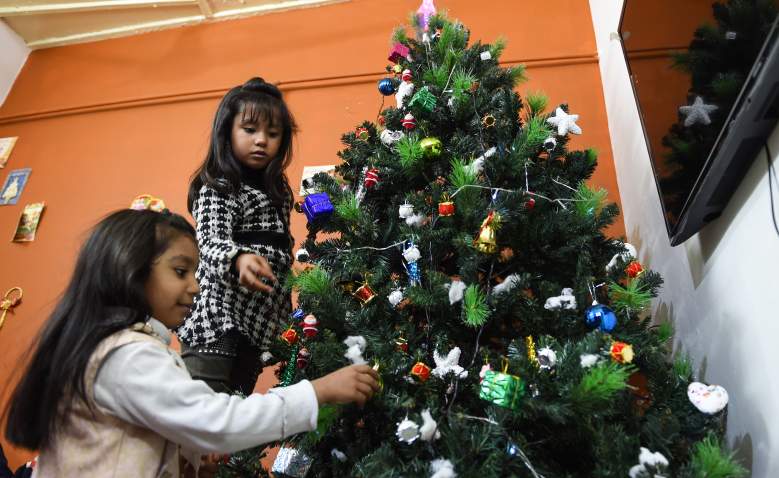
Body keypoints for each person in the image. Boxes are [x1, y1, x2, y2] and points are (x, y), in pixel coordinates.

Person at [3, 205, 379, 477]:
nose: (195, 286)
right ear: (128, 270)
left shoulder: (131, 348)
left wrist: (189, 457)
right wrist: (316, 392)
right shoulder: (124, 355)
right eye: (180, 271)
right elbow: (216, 420)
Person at [177, 77, 300, 395]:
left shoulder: (279, 193)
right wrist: (238, 258)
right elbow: (210, 240)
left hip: (258, 328)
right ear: (227, 132)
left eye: (273, 134)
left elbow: (279, 247)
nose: (262, 141)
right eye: (250, 130)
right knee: (201, 412)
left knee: (235, 413)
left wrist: (296, 274)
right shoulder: (219, 187)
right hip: (216, 320)